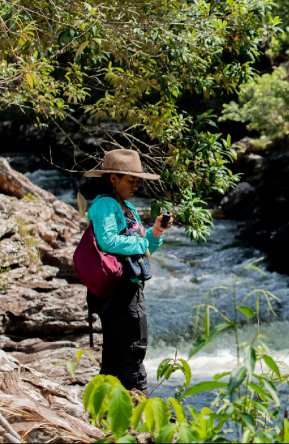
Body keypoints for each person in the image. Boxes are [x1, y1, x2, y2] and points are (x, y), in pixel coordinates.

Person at [81, 149, 173, 394]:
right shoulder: (104, 205)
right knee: (132, 351)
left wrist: (155, 232)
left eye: (137, 180)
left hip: (127, 287)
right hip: (119, 291)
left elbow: (145, 249)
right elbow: (108, 241)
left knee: (115, 356)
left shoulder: (128, 208)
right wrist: (142, 243)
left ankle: (106, 416)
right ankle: (142, 416)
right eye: (130, 180)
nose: (136, 184)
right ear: (113, 178)